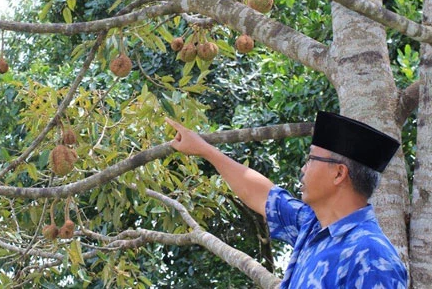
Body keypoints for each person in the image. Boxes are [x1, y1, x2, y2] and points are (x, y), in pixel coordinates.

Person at [166, 111, 407, 288]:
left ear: (339, 173)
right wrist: (205, 149)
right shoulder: (313, 227)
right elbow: (262, 194)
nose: (304, 169)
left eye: (311, 160)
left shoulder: (372, 255)